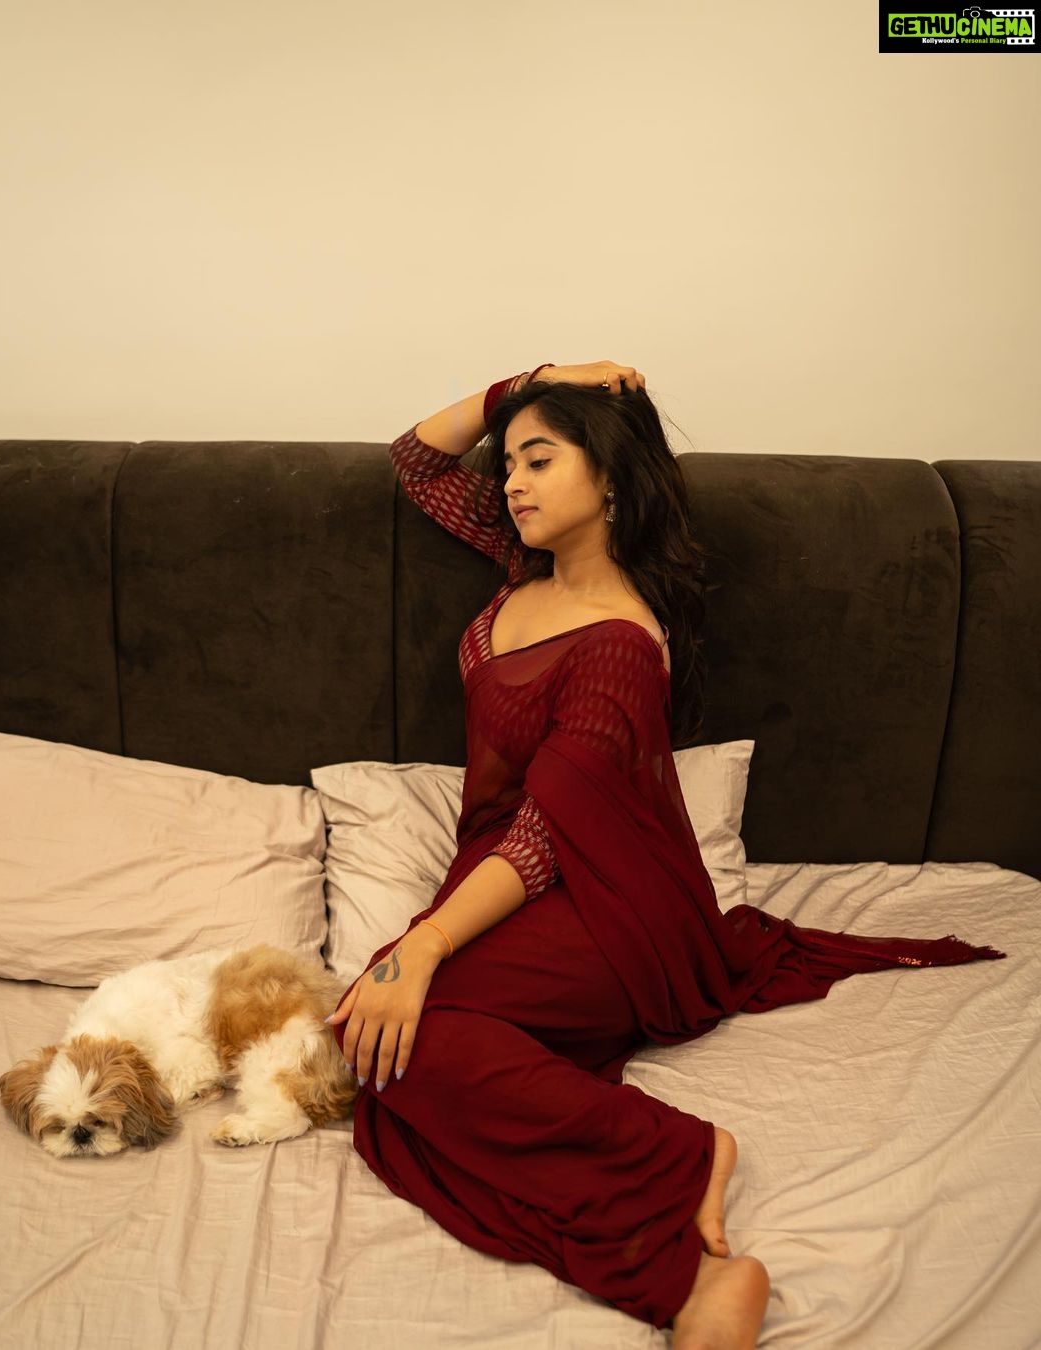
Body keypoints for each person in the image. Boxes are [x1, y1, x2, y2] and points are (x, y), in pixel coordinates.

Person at [326, 361, 1004, 1349]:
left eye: (539, 461)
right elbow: (415, 462)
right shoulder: (524, 567)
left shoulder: (620, 644)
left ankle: (680, 1167)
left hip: (605, 908)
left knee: (404, 1044)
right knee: (377, 1051)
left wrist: (424, 947)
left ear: (608, 479)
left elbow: (543, 838)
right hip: (506, 886)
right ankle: (666, 1192)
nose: (510, 483)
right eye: (508, 464)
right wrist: (538, 379)